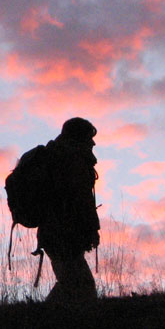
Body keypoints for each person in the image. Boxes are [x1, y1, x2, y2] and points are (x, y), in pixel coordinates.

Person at [37, 117, 100, 303]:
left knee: (73, 284)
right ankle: (40, 317)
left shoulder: (60, 156)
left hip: (55, 233)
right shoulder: (72, 161)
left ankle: (44, 316)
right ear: (79, 138)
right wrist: (91, 229)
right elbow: (80, 200)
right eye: (89, 137)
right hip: (63, 233)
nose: (93, 143)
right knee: (81, 285)